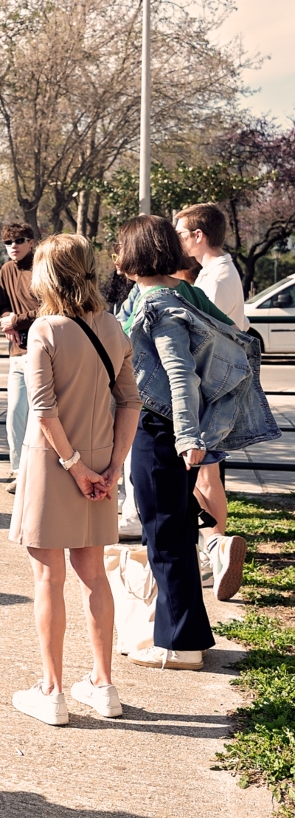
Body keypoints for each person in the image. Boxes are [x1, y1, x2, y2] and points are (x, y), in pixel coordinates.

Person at [117, 215, 278, 670]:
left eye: (120, 247)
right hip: (173, 430)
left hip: (160, 430)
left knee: (164, 536)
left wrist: (188, 436)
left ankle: (181, 645)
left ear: (135, 253)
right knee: (177, 531)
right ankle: (188, 635)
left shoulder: (159, 302)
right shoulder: (184, 291)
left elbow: (181, 375)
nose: (115, 257)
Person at [8, 235, 141, 725]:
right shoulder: (113, 327)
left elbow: (41, 410)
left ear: (48, 275)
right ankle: (104, 686)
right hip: (103, 465)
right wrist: (112, 467)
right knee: (94, 576)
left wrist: (75, 467)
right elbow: (130, 401)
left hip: (53, 464)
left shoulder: (45, 329)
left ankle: (53, 691)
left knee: (48, 577)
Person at [175, 203, 249, 600]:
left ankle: (216, 547)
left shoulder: (216, 277)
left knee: (202, 473)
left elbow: (201, 332)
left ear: (198, 236)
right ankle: (216, 547)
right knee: (208, 474)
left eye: (183, 233)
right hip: (215, 385)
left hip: (209, 386)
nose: (180, 239)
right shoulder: (219, 272)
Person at [0, 224, 39, 494]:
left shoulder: (42, 266)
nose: (13, 245)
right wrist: (6, 321)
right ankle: (19, 470)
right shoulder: (5, 270)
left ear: (31, 242)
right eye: (8, 242)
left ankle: (39, 471)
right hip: (17, 352)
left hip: (42, 349)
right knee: (15, 413)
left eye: (19, 240)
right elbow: (2, 306)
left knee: (41, 414)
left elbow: (49, 306)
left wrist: (17, 320)